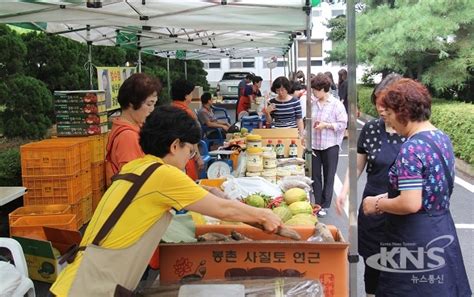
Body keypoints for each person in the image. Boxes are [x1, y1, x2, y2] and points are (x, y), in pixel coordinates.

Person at [50, 106, 283, 297]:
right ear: (174, 145)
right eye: (190, 151)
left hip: (73, 281)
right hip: (85, 289)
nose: (188, 159)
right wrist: (264, 215)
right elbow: (223, 209)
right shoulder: (163, 175)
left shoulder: (139, 167)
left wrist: (208, 191)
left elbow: (179, 194)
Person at [362, 79, 471, 297]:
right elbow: (428, 188)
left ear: (403, 112)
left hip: (413, 239)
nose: (390, 124)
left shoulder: (411, 148)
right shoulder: (441, 138)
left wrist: (376, 203)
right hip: (441, 229)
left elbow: (411, 203)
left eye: (390, 115)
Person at [335, 74, 405, 296]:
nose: (381, 111)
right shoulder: (372, 129)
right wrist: (345, 190)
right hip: (373, 207)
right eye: (378, 105)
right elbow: (357, 166)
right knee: (373, 263)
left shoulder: (414, 134)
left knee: (402, 264)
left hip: (404, 207)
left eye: (386, 106)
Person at [105, 73, 161, 186]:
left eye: (154, 104)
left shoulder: (130, 127)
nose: (152, 109)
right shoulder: (128, 136)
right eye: (149, 104)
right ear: (132, 102)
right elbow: (133, 182)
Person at [310, 73, 347, 217]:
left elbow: (343, 124)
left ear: (324, 89)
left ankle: (325, 204)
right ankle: (317, 204)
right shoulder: (312, 103)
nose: (313, 92)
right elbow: (308, 122)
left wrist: (327, 125)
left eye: (315, 89)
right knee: (315, 175)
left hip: (331, 144)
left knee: (329, 175)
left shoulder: (336, 104)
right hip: (314, 144)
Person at [171, 78, 204, 180]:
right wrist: (198, 156)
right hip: (186, 156)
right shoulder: (187, 113)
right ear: (186, 95)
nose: (191, 96)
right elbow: (192, 139)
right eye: (190, 94)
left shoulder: (169, 109)